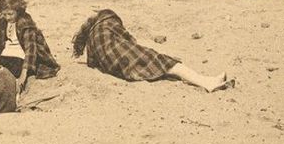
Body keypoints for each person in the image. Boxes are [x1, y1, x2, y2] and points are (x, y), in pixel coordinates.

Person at [72, 10, 232, 92]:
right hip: (126, 61)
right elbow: (130, 40)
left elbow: (91, 62)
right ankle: (207, 82)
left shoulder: (92, 37)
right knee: (168, 63)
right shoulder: (109, 23)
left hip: (115, 68)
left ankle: (207, 81)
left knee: (165, 69)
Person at [0, 0, 60, 93]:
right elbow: (0, 44)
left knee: (13, 68)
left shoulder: (25, 23)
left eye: (10, 14)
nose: (7, 17)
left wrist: (23, 75)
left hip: (23, 56)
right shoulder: (3, 21)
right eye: (4, 14)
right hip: (8, 53)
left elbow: (30, 50)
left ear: (18, 11)